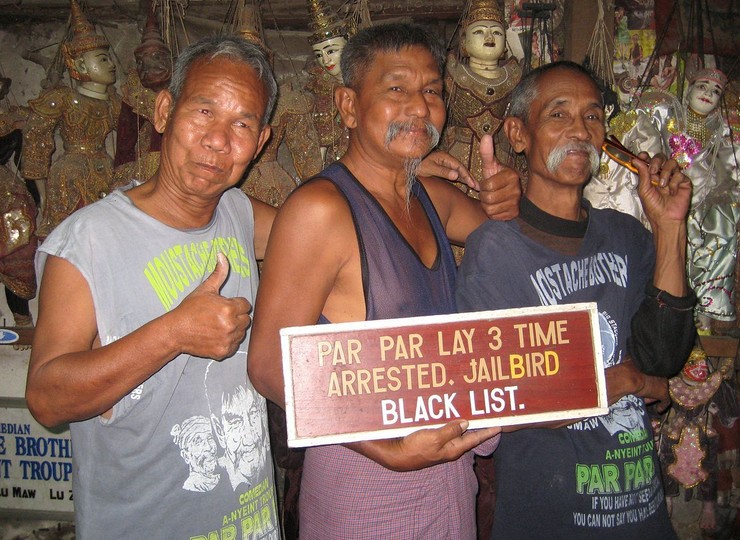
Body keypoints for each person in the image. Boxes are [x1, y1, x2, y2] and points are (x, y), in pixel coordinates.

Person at [248, 22, 520, 539]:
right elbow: (266, 367)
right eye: (396, 88)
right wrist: (390, 452)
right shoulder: (321, 211)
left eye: (432, 90)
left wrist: (510, 196)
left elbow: (514, 246)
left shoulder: (433, 200)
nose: (420, 106)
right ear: (348, 106)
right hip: (364, 489)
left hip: (448, 489)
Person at [25, 35, 281, 539]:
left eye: (242, 123)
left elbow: (327, 226)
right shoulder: (86, 243)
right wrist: (173, 333)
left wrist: (390, 177)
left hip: (249, 523)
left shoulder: (239, 213)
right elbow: (47, 398)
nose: (218, 140)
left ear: (262, 140)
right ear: (164, 110)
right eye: (204, 111)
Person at [456, 61, 697, 539]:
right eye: (558, 115)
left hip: (641, 514)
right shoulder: (496, 248)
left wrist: (670, 228)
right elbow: (497, 396)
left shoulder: (627, 237)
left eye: (592, 117)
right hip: (551, 516)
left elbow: (664, 357)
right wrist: (625, 381)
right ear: (518, 134)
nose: (580, 130)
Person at [21, 0, 120, 237]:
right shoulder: (63, 98)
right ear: (80, 64)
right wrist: (42, 192)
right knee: (68, 235)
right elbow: (36, 139)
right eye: (102, 59)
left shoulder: (114, 103)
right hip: (69, 175)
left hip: (105, 169)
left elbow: (132, 137)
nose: (111, 65)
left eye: (109, 58)